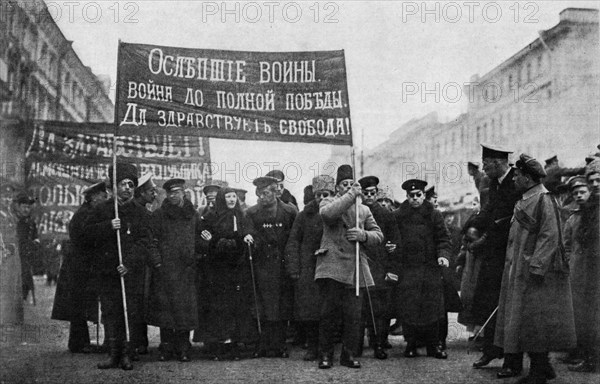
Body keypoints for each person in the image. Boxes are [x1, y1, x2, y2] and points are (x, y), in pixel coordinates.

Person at [494, 154, 576, 384]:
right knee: (524, 320)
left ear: (528, 178)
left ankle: (539, 371)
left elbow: (550, 236)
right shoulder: (526, 198)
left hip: (535, 272)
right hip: (520, 269)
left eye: (517, 175)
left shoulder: (543, 199)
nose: (513, 179)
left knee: (535, 322)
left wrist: (537, 267)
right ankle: (544, 366)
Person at [83, 163, 158, 370]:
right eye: (123, 184)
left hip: (129, 272)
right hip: (107, 271)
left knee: (130, 312)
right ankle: (113, 353)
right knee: (110, 311)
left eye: (131, 185)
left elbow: (145, 242)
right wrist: (108, 226)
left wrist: (130, 264)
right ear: (114, 187)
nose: (127, 188)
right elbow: (85, 234)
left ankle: (127, 353)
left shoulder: (140, 212)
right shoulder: (102, 210)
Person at [315, 164, 383, 369]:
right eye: (343, 185)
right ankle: (325, 354)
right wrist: (351, 194)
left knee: (354, 315)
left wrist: (363, 235)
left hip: (355, 267)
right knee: (329, 314)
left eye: (350, 184)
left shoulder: (364, 209)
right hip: (333, 264)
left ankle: (349, 354)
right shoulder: (329, 201)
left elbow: (378, 235)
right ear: (338, 188)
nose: (347, 187)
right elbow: (328, 215)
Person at [469, 143, 522, 377]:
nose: (483, 168)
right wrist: (470, 226)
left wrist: (485, 234)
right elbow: (490, 210)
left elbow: (509, 218)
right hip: (496, 252)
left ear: (499, 163)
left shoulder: (516, 181)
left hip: (512, 251)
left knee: (510, 307)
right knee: (489, 299)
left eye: (486, 164)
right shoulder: (494, 182)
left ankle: (512, 360)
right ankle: (491, 349)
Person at [193, 187, 255, 361]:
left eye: (233, 196)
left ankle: (235, 345)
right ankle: (219, 345)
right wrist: (214, 242)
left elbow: (248, 231)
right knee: (219, 308)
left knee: (236, 307)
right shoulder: (210, 217)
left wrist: (248, 236)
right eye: (228, 196)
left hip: (236, 269)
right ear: (222, 199)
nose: (231, 199)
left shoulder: (241, 216)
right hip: (217, 271)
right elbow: (203, 239)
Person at [392, 179, 451, 360]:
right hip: (408, 268)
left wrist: (443, 255)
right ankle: (411, 344)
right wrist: (392, 248)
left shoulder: (434, 214)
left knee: (432, 308)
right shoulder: (399, 215)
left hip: (430, 268)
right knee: (409, 307)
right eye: (411, 196)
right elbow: (393, 238)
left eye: (418, 195)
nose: (415, 199)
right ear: (407, 197)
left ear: (424, 195)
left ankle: (434, 346)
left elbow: (443, 238)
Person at [147, 178, 204, 362]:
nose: (173, 196)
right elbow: (151, 242)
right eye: (170, 192)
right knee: (166, 310)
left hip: (187, 271)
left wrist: (196, 257)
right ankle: (166, 347)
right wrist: (157, 263)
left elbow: (199, 239)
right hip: (166, 270)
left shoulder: (193, 215)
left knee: (185, 311)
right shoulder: (159, 215)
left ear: (183, 193)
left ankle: (184, 347)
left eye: (177, 192)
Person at [52, 182, 107, 354]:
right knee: (78, 305)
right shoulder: (85, 215)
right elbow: (85, 237)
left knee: (80, 304)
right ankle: (78, 343)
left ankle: (80, 341)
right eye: (102, 196)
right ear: (92, 198)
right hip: (79, 266)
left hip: (81, 265)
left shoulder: (87, 212)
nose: (105, 199)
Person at [245, 176, 297, 358]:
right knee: (263, 306)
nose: (262, 196)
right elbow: (250, 231)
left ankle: (280, 345)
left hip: (283, 265)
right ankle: (264, 345)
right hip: (263, 266)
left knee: (282, 307)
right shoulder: (251, 212)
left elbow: (294, 237)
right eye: (259, 193)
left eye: (266, 192)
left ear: (275, 191)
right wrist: (251, 238)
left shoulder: (290, 211)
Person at [284, 176, 332, 361]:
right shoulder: (304, 215)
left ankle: (327, 348)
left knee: (328, 311)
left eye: (326, 194)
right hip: (309, 269)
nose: (321, 198)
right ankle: (313, 347)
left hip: (330, 268)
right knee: (310, 311)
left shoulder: (338, 212)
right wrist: (294, 267)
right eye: (318, 194)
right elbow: (293, 241)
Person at [357, 175, 400, 360]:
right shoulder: (355, 213)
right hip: (359, 265)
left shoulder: (386, 215)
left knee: (380, 311)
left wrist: (391, 269)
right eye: (365, 193)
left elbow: (395, 242)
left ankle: (379, 344)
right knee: (359, 309)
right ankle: (356, 345)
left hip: (380, 267)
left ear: (376, 193)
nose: (369, 196)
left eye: (372, 193)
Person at [567, 161, 600, 373]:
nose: (595, 184)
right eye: (592, 181)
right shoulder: (590, 208)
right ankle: (591, 359)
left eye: (599, 180)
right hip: (591, 266)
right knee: (592, 315)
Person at [130, 172, 158, 356]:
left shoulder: (144, 211)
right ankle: (137, 342)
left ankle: (140, 342)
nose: (154, 195)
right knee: (136, 303)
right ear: (141, 193)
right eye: (151, 191)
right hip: (136, 265)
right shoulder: (137, 212)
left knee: (140, 303)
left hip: (142, 264)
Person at [14, 191, 39, 303]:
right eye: (24, 207)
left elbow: (36, 238)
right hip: (13, 258)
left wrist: (34, 244)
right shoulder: (13, 221)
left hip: (26, 258)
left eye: (28, 207)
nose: (26, 210)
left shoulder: (30, 223)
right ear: (18, 207)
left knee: (25, 283)